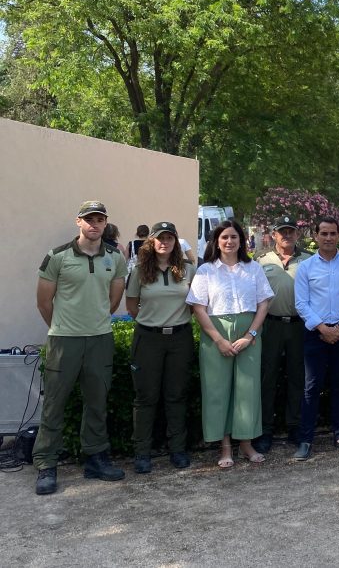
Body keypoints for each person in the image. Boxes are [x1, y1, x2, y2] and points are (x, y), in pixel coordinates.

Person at [33, 201, 128, 495]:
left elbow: (113, 300)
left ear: (105, 223)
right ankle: (46, 464)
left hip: (100, 339)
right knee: (54, 404)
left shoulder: (115, 257)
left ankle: (95, 459)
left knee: (97, 402)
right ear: (78, 222)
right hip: (64, 340)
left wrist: (94, 321)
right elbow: (44, 302)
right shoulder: (57, 256)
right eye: (89, 219)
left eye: (99, 219)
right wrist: (64, 326)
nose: (94, 224)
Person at [187, 220, 274, 468]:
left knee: (248, 389)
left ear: (241, 241)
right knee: (218, 390)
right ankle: (225, 446)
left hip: (249, 332)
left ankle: (246, 442)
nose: (229, 241)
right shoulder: (206, 271)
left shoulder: (253, 268)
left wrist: (250, 335)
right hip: (216, 333)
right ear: (216, 241)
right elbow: (198, 308)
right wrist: (219, 340)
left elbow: (264, 303)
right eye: (224, 237)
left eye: (234, 237)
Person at [125, 221, 195, 473]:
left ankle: (177, 449)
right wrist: (153, 322)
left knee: (177, 395)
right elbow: (131, 306)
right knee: (146, 397)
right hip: (149, 339)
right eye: (160, 238)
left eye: (169, 238)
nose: (164, 242)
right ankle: (142, 452)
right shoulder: (140, 270)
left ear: (176, 241)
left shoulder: (188, 269)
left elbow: (194, 303)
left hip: (180, 338)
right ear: (151, 241)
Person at [292, 216, 339, 461]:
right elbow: (301, 303)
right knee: (311, 387)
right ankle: (306, 439)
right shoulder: (306, 267)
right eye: (324, 233)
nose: (328, 238)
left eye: (333, 233)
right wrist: (322, 328)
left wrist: (338, 326)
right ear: (315, 236)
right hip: (315, 333)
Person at [252, 216, 312, 453]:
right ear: (274, 234)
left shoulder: (308, 259)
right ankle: (265, 429)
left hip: (299, 325)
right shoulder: (260, 259)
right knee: (267, 378)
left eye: (291, 231)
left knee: (298, 377)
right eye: (282, 231)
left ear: (297, 234)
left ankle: (294, 426)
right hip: (271, 325)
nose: (287, 235)